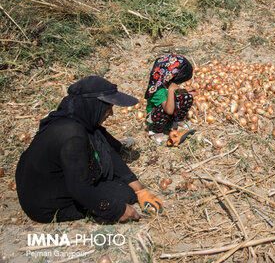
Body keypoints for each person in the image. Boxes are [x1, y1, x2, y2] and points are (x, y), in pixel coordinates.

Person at [15, 76, 164, 223]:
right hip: (47, 205)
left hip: (52, 186)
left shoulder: (77, 121)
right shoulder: (72, 135)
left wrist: (140, 189)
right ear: (95, 105)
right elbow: (79, 187)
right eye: (109, 107)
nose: (110, 113)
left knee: (127, 189)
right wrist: (116, 210)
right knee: (122, 194)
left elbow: (107, 150)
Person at [145, 54, 197, 143]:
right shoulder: (158, 91)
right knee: (162, 109)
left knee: (187, 97)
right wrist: (171, 90)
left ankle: (177, 121)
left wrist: (185, 91)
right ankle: (155, 131)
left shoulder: (167, 83)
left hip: (169, 115)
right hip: (157, 119)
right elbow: (168, 110)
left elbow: (175, 94)